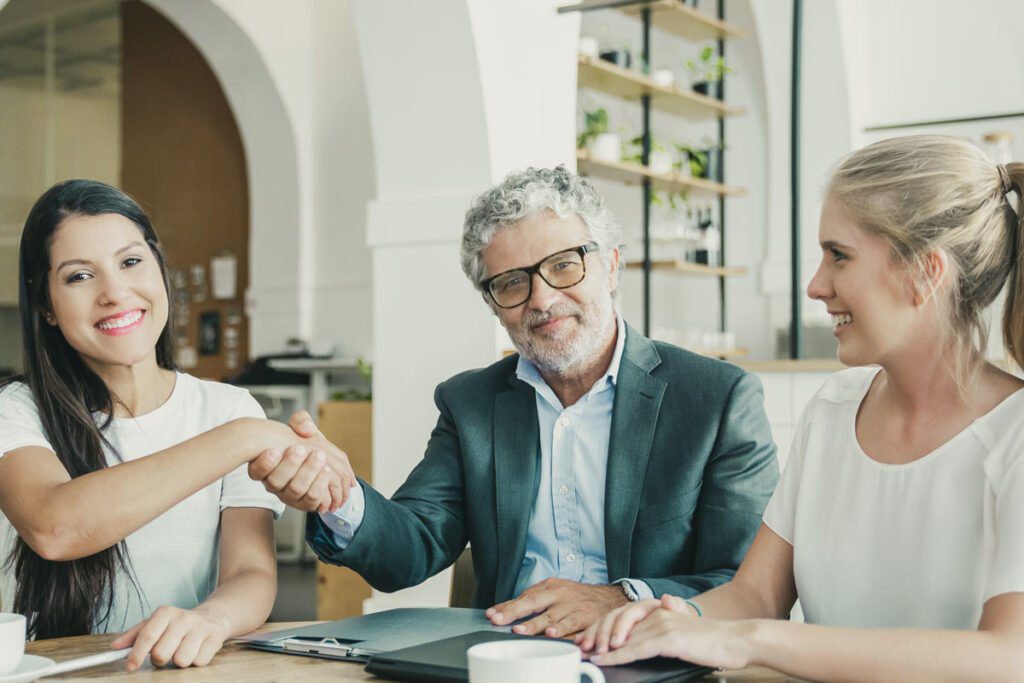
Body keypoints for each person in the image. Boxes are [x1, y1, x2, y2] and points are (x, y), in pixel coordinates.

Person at [250, 166, 779, 638]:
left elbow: (745, 586)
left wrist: (619, 599)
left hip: (653, 656)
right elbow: (410, 550)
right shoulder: (471, 403)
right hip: (507, 659)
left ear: (611, 267)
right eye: (512, 283)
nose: (543, 299)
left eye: (565, 265)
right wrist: (337, 495)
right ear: (493, 304)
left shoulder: (717, 399)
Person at [579, 135, 1024, 681]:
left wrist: (750, 640)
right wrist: (671, 618)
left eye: (839, 255)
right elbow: (756, 594)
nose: (815, 285)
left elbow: (1009, 657)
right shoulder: (833, 411)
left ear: (925, 273)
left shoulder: (1015, 435)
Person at [0, 180, 352, 670]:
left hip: (183, 671)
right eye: (80, 276)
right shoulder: (16, 409)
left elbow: (249, 572)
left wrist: (211, 619)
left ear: (159, 268)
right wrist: (248, 437)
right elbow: (55, 527)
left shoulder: (228, 407)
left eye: (130, 262)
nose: (115, 293)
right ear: (46, 307)